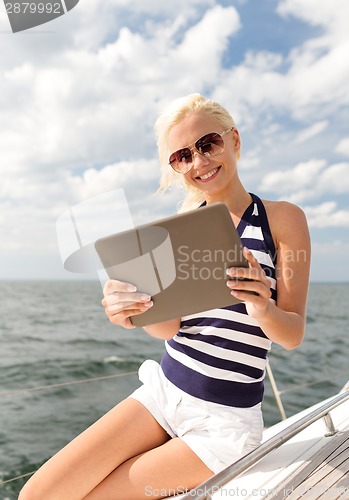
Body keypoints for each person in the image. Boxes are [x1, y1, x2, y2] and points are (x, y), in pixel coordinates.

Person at [19, 94, 310, 500]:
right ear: (175, 168)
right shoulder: (181, 230)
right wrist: (134, 310)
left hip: (223, 422)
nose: (199, 161)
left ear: (234, 140)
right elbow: (169, 328)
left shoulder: (282, 220)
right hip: (164, 392)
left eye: (208, 144)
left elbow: (292, 333)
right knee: (37, 495)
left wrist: (262, 306)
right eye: (182, 156)